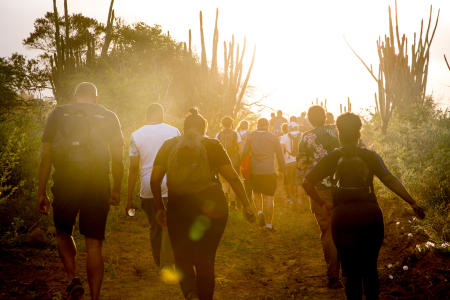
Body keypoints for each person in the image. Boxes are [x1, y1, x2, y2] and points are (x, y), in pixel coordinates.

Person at [303, 112, 425, 300]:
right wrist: (412, 202)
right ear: (359, 132)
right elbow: (390, 180)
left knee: (351, 273)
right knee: (370, 270)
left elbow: (307, 182)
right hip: (370, 214)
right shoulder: (370, 156)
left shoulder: (333, 157)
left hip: (342, 216)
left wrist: (323, 204)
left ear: (339, 132)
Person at [150, 108, 255, 300]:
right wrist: (247, 205)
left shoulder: (169, 145)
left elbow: (155, 179)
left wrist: (160, 208)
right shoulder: (212, 145)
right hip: (212, 207)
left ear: (184, 128)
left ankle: (190, 291)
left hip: (178, 207)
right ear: (203, 128)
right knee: (205, 258)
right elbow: (232, 177)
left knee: (181, 256)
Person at [37, 82, 124, 300]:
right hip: (97, 183)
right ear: (95, 98)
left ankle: (72, 278)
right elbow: (118, 159)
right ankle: (95, 297)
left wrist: (42, 192)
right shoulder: (109, 116)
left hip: (66, 180)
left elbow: (46, 156)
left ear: (75, 97)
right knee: (94, 244)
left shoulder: (58, 114)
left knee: (63, 232)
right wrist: (116, 189)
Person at [127, 103, 180, 267]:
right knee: (175, 225)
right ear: (162, 115)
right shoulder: (175, 132)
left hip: (149, 187)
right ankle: (176, 262)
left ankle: (160, 264)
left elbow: (134, 168)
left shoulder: (136, 135)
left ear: (146, 116)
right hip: (173, 186)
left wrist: (129, 198)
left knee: (155, 227)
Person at [297, 105, 341, 288]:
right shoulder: (336, 131)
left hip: (319, 189)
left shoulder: (306, 138)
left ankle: (333, 276)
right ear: (325, 117)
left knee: (328, 231)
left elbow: (301, 165)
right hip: (342, 186)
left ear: (309, 119)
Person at [242, 118, 285, 231]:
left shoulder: (251, 136)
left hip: (255, 171)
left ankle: (260, 212)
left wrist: (242, 165)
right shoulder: (273, 137)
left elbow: (244, 152)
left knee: (256, 193)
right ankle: (269, 225)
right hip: (269, 171)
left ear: (257, 125)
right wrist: (282, 169)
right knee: (268, 197)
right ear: (267, 125)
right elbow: (280, 155)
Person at [216, 116, 241, 209]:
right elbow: (240, 148)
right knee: (233, 182)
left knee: (224, 182)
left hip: (221, 160)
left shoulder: (218, 134)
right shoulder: (236, 134)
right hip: (233, 160)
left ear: (222, 124)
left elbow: (216, 148)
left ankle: (225, 199)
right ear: (231, 124)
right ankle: (233, 203)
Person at [280, 119, 302, 206]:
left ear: (289, 128)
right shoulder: (302, 135)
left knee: (288, 181)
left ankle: (291, 199)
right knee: (299, 181)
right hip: (299, 161)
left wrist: (281, 163)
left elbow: (282, 151)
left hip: (288, 161)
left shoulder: (284, 137)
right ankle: (299, 199)